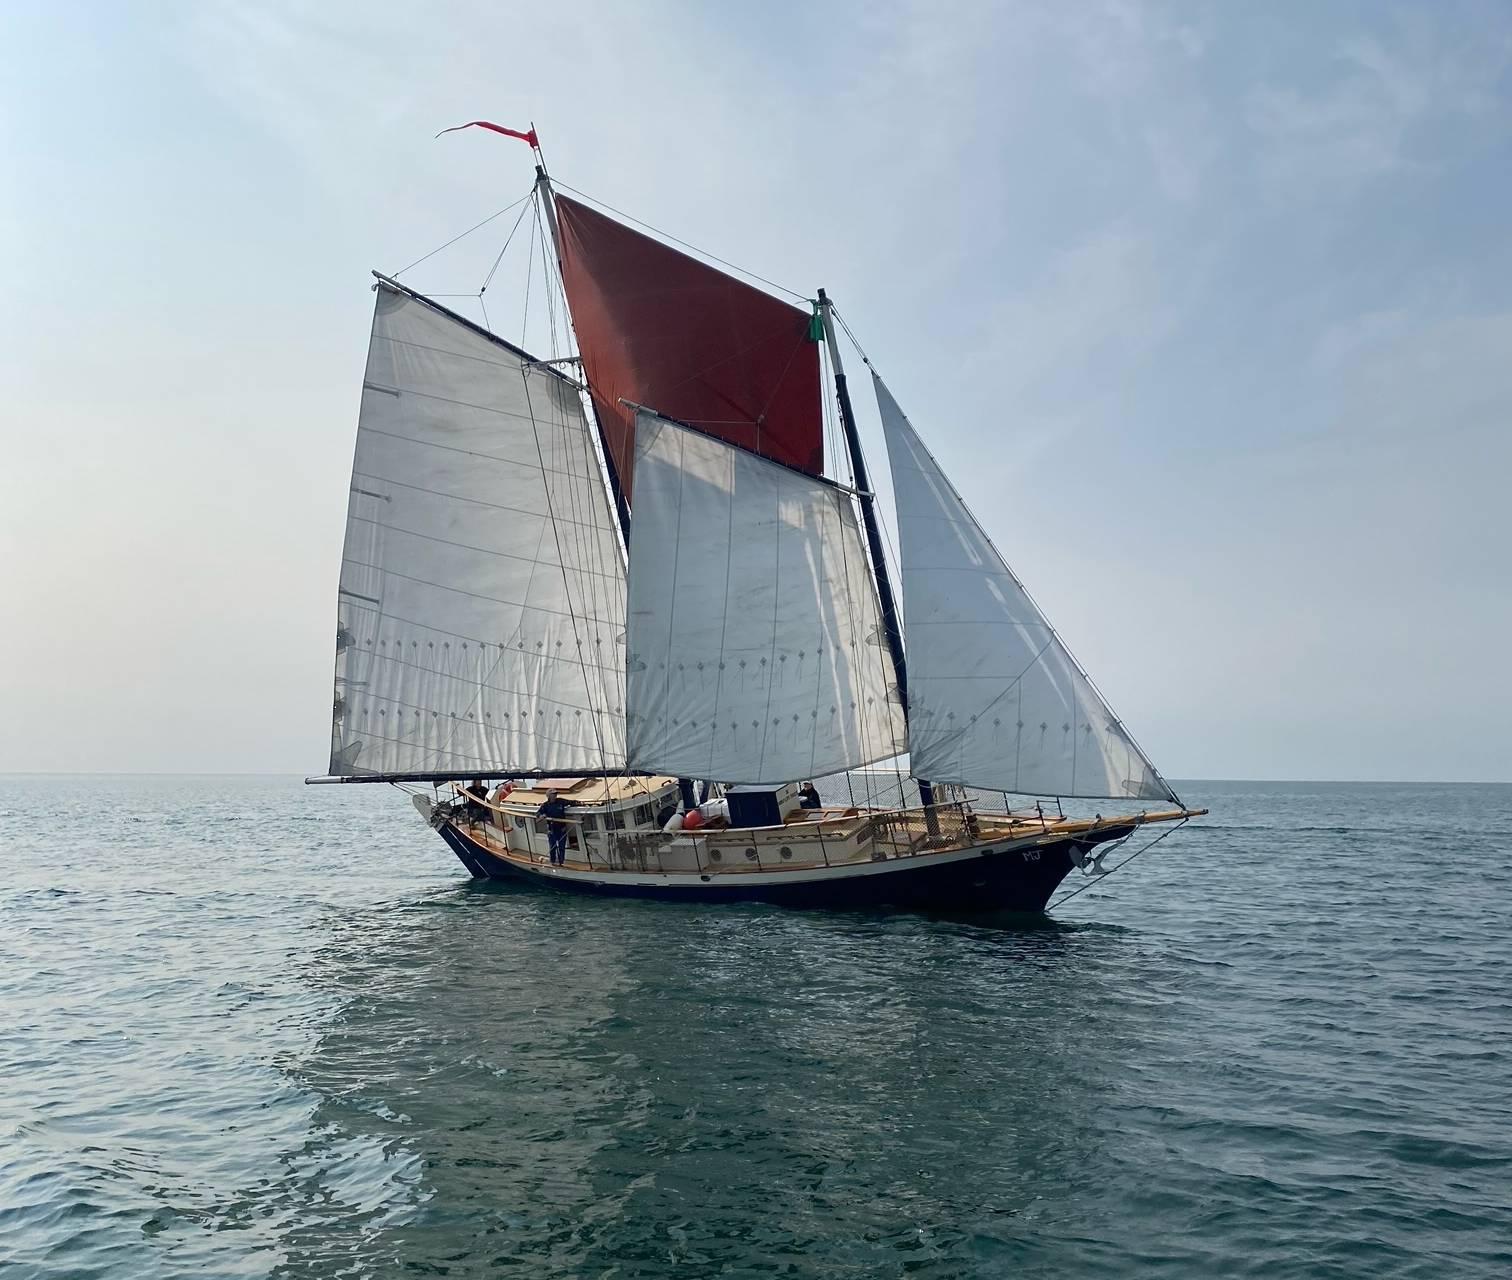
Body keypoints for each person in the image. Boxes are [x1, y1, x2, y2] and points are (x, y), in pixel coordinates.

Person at [538, 789, 570, 866]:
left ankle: (561, 862)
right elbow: (538, 813)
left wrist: (579, 803)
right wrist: (541, 815)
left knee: (561, 847)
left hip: (561, 829)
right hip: (552, 829)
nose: (555, 795)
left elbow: (571, 802)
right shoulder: (545, 805)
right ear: (549, 796)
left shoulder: (561, 801)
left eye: (556, 794)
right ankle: (553, 861)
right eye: (553, 794)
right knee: (553, 847)